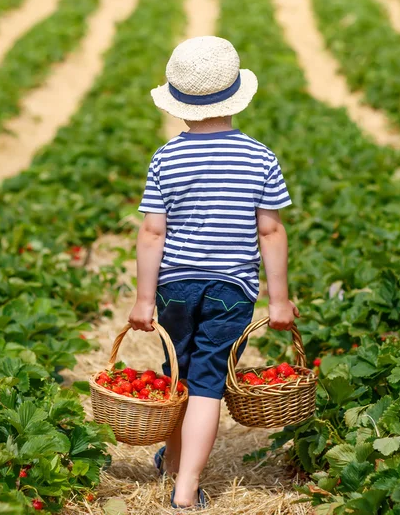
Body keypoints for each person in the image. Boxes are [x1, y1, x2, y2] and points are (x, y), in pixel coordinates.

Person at [128, 36, 298, 510]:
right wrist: (278, 300)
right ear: (236, 96)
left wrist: (144, 299)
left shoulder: (167, 157)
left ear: (179, 104)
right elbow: (270, 232)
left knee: (176, 374)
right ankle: (186, 488)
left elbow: (151, 233)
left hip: (174, 287)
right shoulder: (259, 157)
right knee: (207, 384)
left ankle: (175, 462)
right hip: (231, 289)